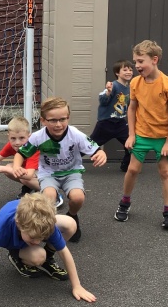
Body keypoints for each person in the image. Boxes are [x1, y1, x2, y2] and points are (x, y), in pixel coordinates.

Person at [0, 193, 97, 307]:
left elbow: (65, 252)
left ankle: (48, 259)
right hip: (13, 239)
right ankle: (16, 256)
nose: (38, 241)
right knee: (39, 256)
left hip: (30, 225)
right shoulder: (1, 231)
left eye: (41, 237)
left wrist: (77, 286)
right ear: (18, 224)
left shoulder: (44, 225)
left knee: (71, 224)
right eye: (33, 238)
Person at [13, 97, 107, 243]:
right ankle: (49, 225)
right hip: (49, 173)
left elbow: (96, 149)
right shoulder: (38, 137)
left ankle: (72, 216)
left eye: (63, 119)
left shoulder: (75, 134)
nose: (58, 124)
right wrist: (16, 166)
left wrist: (101, 154)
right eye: (53, 120)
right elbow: (21, 154)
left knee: (78, 198)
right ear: (43, 121)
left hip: (72, 172)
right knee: (49, 197)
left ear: (68, 118)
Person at [115, 40, 168, 229]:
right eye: (135, 61)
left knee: (165, 172)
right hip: (142, 135)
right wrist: (131, 135)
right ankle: (124, 203)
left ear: (154, 59)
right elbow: (132, 109)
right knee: (132, 170)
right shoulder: (135, 83)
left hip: (163, 138)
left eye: (140, 61)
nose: (136, 66)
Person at [0, 116, 61, 204]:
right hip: (36, 173)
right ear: (8, 136)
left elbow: (28, 175)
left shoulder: (33, 147)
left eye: (22, 138)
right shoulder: (11, 145)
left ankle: (53, 194)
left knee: (22, 176)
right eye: (13, 138)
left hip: (51, 176)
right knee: (10, 167)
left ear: (29, 136)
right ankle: (31, 188)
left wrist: (3, 169)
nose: (17, 143)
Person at [90, 59, 133, 172]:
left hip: (120, 123)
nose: (128, 72)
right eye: (125, 70)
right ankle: (69, 163)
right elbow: (103, 100)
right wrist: (108, 92)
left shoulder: (129, 88)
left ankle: (127, 166)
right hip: (106, 123)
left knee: (131, 145)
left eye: (130, 70)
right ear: (117, 73)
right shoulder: (113, 86)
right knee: (89, 145)